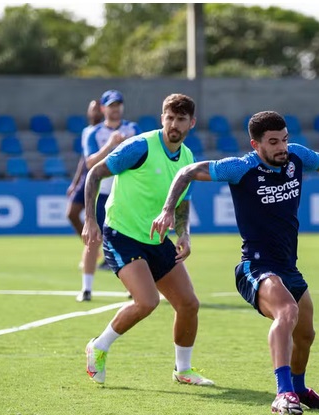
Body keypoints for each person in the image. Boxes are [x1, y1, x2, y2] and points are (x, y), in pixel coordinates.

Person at [151, 111, 319, 414]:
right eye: (273, 142)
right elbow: (187, 172)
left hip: (288, 266)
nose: (282, 147)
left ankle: (298, 388)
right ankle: (283, 393)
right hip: (256, 266)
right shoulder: (240, 168)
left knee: (306, 333)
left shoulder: (297, 156)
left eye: (284, 139)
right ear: (256, 144)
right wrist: (168, 210)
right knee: (287, 312)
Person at [82, 93, 214, 387]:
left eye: (181, 119)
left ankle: (183, 370)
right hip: (122, 234)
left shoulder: (189, 158)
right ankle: (99, 346)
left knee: (189, 304)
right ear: (162, 118)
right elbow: (95, 173)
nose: (174, 125)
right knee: (147, 301)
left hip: (156, 239)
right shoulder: (140, 146)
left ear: (191, 123)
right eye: (169, 118)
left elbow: (182, 203)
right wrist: (91, 219)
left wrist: (184, 234)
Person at [77, 90, 141, 302]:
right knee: (93, 240)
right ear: (103, 108)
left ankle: (134, 287)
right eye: (111, 105)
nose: (115, 109)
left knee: (132, 240)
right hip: (101, 193)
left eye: (118, 104)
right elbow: (89, 163)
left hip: (126, 194)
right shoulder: (93, 132)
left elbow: (143, 157)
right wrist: (110, 145)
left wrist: (129, 145)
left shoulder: (132, 129)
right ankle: (86, 288)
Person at [66, 99, 103, 269]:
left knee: (103, 221)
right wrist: (75, 182)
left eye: (97, 109)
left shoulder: (104, 131)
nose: (94, 113)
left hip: (102, 179)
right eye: (91, 110)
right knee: (72, 213)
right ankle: (92, 250)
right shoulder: (87, 131)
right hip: (86, 179)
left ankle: (98, 254)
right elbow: (84, 159)